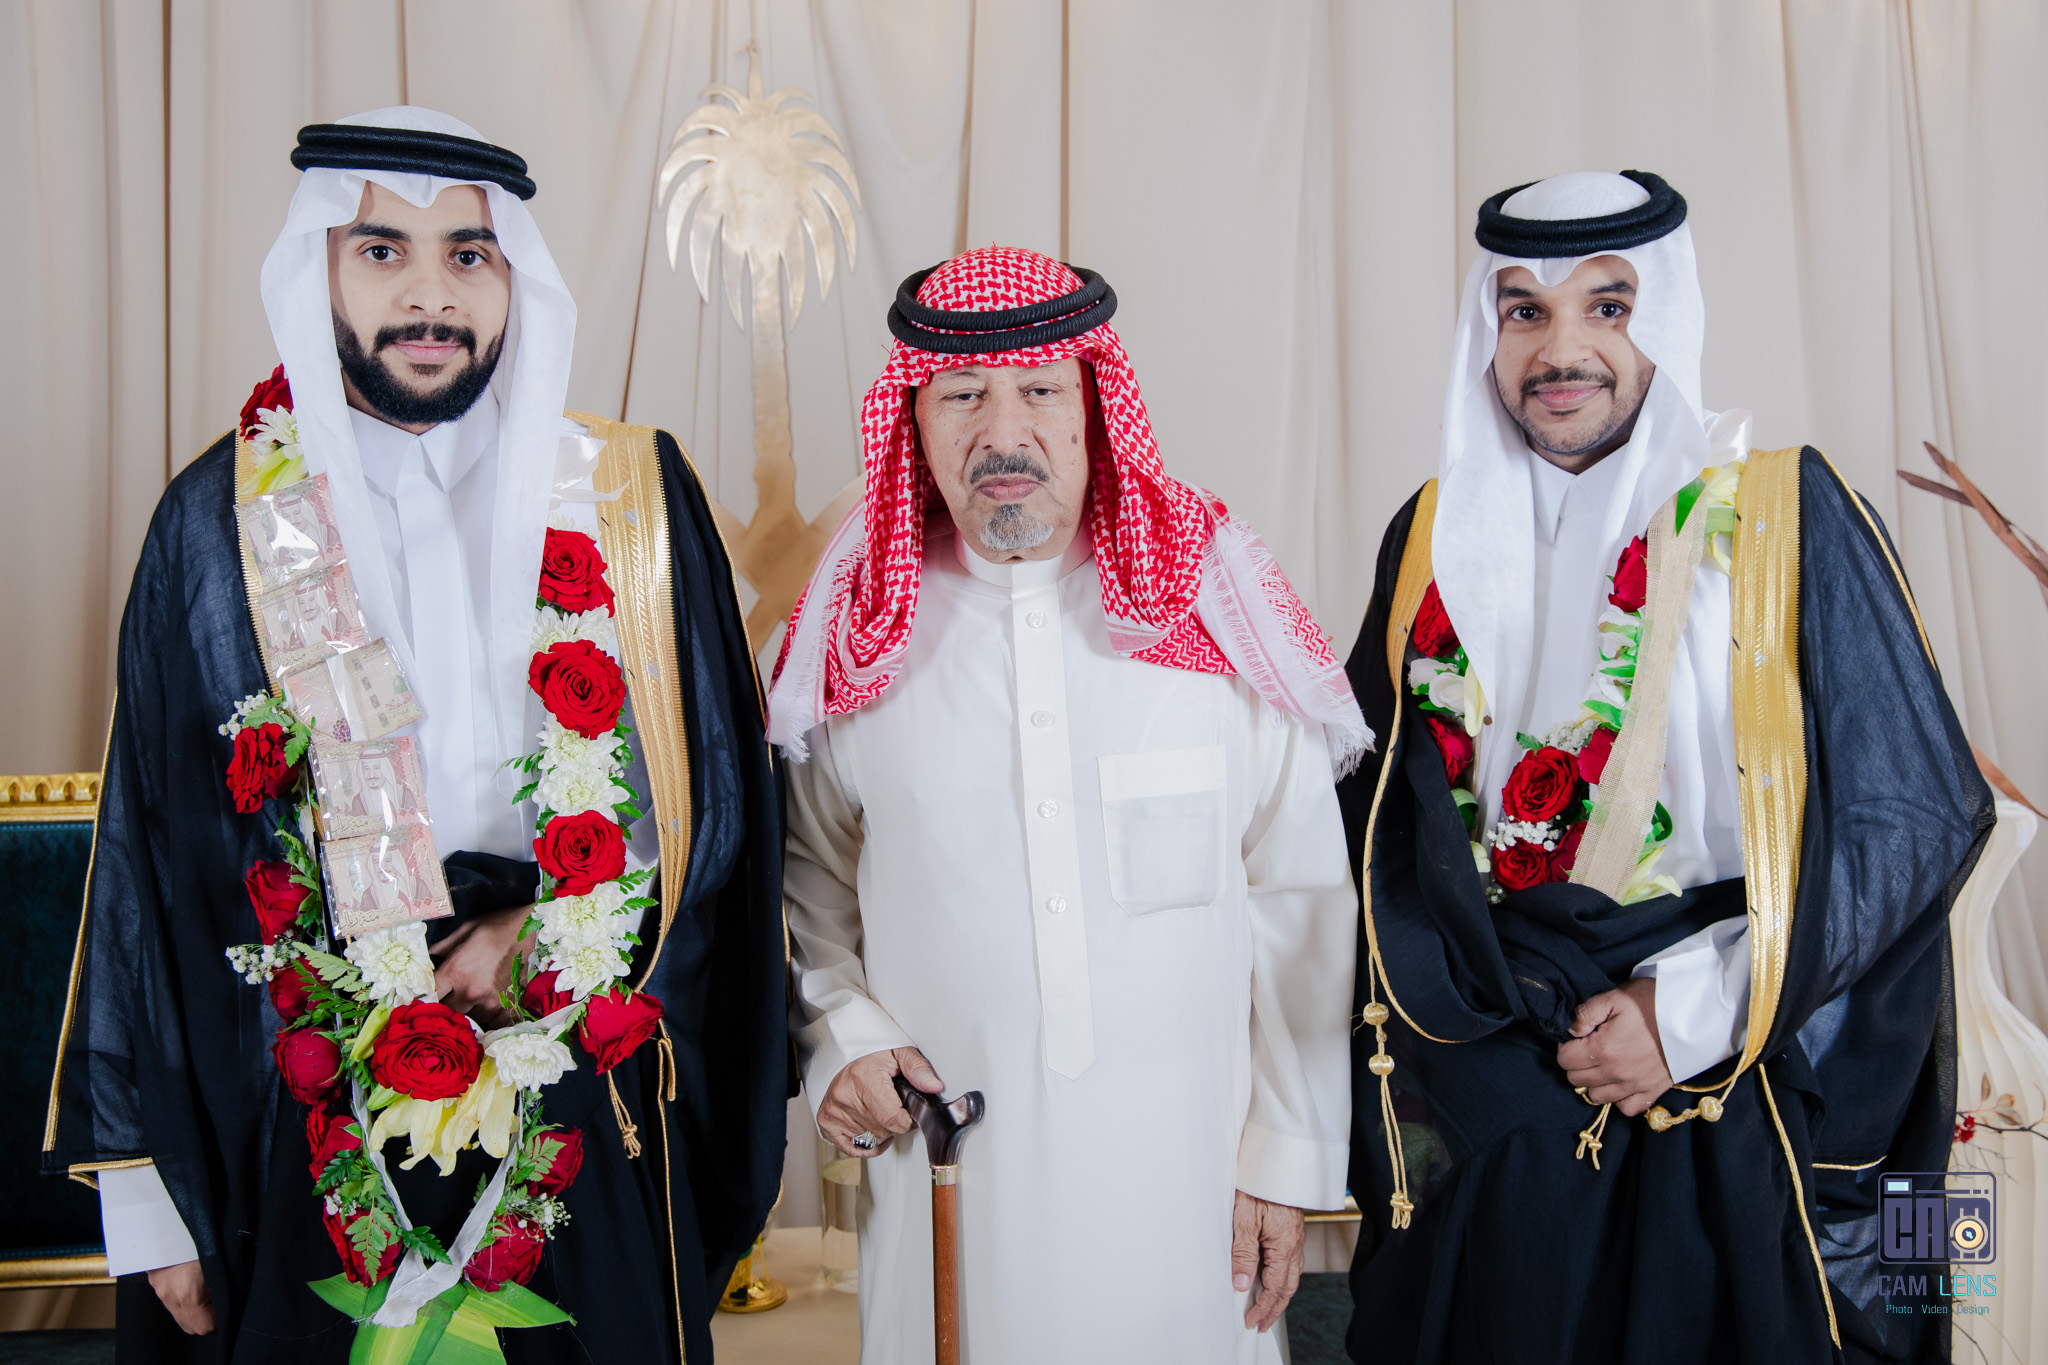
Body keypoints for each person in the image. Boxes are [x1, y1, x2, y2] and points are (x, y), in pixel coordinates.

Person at [43, 108, 785, 1362]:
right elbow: (148, 860)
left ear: (513, 278)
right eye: (381, 250)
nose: (429, 295)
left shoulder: (629, 500)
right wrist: (146, 1201)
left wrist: (552, 932)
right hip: (299, 1089)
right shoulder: (219, 519)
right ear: (319, 269)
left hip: (576, 1077)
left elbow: (719, 808)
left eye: (468, 255)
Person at [1336, 170, 1993, 1364]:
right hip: (1495, 1064)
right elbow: (1373, 808)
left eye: (1608, 305)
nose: (1559, 349)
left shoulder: (1785, 515)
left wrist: (1689, 1016)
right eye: (1524, 311)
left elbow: (1914, 812)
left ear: (1667, 316)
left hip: (1731, 1054)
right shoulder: (1427, 533)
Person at [774, 246, 1368, 1364]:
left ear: (1097, 405)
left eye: (1041, 390)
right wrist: (842, 1038)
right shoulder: (857, 630)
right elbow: (805, 883)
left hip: (1192, 1191)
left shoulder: (1214, 605)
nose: (1003, 434)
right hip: (949, 1176)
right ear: (914, 421)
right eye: (961, 395)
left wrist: (1287, 1159)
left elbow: (1299, 898)